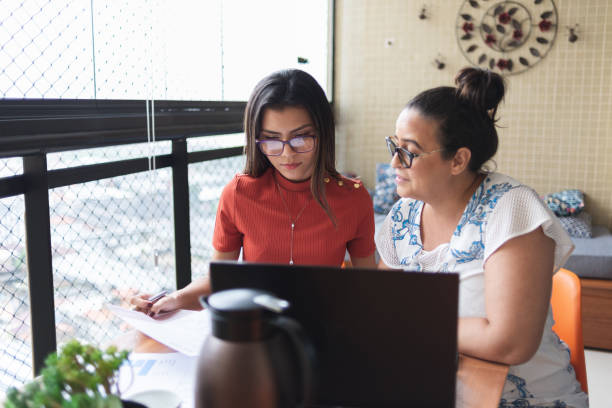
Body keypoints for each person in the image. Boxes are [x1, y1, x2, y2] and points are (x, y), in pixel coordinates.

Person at [376, 67, 588, 407]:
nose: (394, 162)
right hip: (436, 385)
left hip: (524, 397)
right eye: (394, 146)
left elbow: (510, 342)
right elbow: (381, 308)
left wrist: (414, 325)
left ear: (458, 160)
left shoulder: (510, 208)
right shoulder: (403, 215)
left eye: (410, 152)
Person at [130, 69, 376, 316]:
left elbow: (368, 287)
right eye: (271, 139)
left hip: (322, 325)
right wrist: (173, 299)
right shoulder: (238, 194)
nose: (287, 154)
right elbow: (218, 282)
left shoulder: (354, 199)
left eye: (301, 138)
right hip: (255, 329)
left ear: (323, 133)